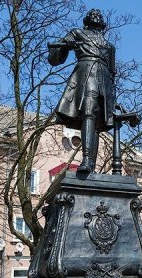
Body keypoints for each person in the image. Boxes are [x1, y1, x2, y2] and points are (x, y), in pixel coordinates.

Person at [48, 9, 115, 173]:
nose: (96, 16)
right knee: (88, 112)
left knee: (98, 122)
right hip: (86, 74)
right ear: (87, 20)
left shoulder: (110, 46)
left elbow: (112, 71)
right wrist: (65, 46)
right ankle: (86, 159)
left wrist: (112, 97)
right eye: (93, 15)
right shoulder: (77, 33)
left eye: (99, 15)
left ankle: (91, 165)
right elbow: (55, 57)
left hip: (104, 80)